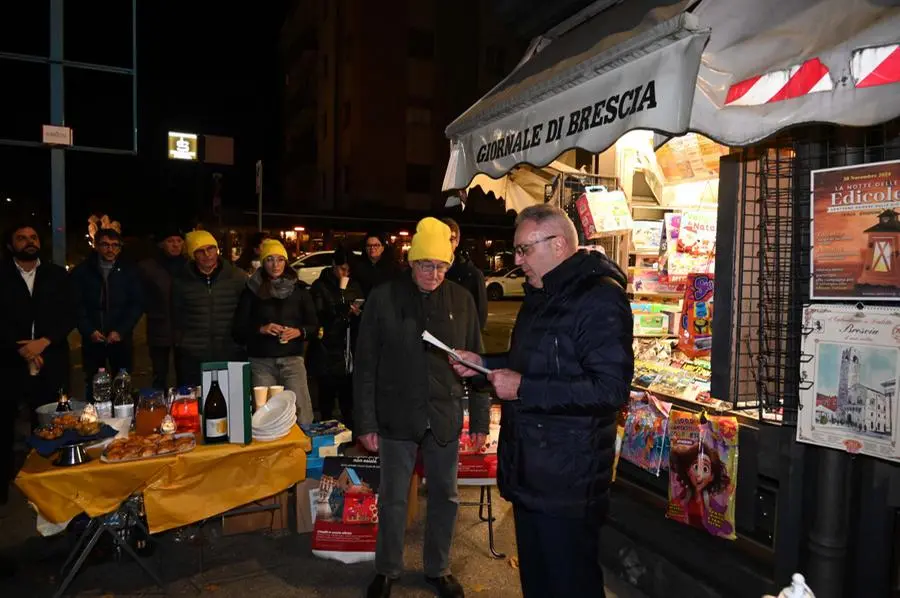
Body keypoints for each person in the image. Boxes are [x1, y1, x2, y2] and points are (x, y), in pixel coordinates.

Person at [451, 204, 633, 598]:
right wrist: (483, 364)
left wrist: (525, 388)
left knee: (570, 584)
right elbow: (527, 366)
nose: (517, 263)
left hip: (568, 480)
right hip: (532, 471)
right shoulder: (541, 294)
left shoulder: (600, 298)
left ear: (559, 244)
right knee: (538, 582)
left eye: (524, 250)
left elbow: (610, 389)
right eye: (516, 251)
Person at [355, 217, 487, 598]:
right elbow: (365, 365)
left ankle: (438, 568)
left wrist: (478, 420)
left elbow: (477, 366)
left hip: (444, 415)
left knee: (446, 496)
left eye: (442, 266)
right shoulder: (383, 297)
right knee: (394, 496)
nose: (435, 274)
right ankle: (387, 569)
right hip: (396, 415)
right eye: (427, 265)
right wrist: (366, 422)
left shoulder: (461, 300)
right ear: (412, 262)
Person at [0, 222, 75, 503]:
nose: (28, 242)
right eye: (21, 238)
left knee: (49, 422)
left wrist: (44, 342)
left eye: (32, 237)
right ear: (10, 245)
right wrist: (20, 348)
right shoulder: (3, 275)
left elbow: (70, 313)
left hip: (50, 357)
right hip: (9, 360)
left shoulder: (56, 275)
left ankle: (49, 486)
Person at [233, 239, 319, 424]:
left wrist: (299, 332)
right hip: (261, 362)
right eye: (270, 259)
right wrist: (260, 329)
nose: (275, 264)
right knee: (265, 415)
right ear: (263, 262)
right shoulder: (251, 290)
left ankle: (306, 449)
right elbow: (238, 329)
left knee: (302, 412)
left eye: (280, 259)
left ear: (286, 262)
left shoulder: (299, 290)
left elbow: (314, 326)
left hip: (292, 361)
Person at [70, 227, 143, 400]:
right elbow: (76, 305)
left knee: (123, 382)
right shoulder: (82, 272)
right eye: (105, 245)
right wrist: (89, 330)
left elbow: (136, 303)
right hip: (93, 339)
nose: (110, 249)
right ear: (96, 246)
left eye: (115, 245)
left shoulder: (129, 271)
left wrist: (121, 330)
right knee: (94, 385)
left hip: (120, 338)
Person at [172, 230, 247, 386]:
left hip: (230, 350)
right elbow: (176, 314)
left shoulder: (237, 277)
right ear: (193, 255)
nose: (207, 254)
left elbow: (246, 311)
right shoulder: (181, 281)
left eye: (210, 248)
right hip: (194, 354)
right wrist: (182, 342)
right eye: (200, 251)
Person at [308, 248, 364, 425]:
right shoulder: (321, 286)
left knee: (348, 396)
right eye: (342, 269)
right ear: (334, 265)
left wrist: (357, 312)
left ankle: (349, 431)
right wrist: (339, 311)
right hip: (328, 347)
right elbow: (318, 314)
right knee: (327, 396)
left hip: (347, 346)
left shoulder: (354, 285)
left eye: (348, 270)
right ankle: (327, 430)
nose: (345, 273)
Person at [138, 225, 187, 388]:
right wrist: (152, 308)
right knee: (160, 374)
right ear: (161, 244)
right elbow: (140, 293)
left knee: (185, 374)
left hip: (184, 328)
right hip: (159, 326)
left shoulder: (188, 266)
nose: (175, 245)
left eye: (179, 241)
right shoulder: (148, 267)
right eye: (170, 241)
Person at [441, 218, 487, 330]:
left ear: (457, 242)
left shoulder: (473, 275)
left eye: (451, 239)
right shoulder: (426, 272)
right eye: (442, 238)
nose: (446, 243)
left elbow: (479, 318)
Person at [354, 232, 397, 297]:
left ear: (383, 248)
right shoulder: (359, 268)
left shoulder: (392, 268)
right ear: (365, 248)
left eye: (376, 245)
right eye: (369, 245)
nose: (372, 248)